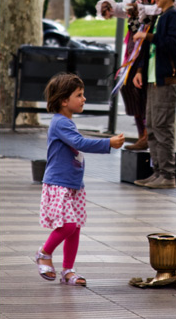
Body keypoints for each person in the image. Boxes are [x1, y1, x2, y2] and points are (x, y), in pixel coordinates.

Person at [35, 72, 125, 285]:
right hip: (59, 183)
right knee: (68, 226)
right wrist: (108, 143)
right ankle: (44, 252)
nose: (84, 99)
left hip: (72, 184)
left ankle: (68, 271)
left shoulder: (66, 121)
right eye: (79, 95)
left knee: (74, 228)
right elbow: (81, 143)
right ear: (64, 101)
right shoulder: (60, 123)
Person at [96, 0, 170, 150]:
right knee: (129, 86)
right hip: (135, 40)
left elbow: (165, 8)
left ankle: (147, 135)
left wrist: (140, 11)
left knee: (138, 86)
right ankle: (143, 134)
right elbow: (129, 5)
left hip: (149, 41)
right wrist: (112, 8)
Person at [132, 0, 176, 189]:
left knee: (163, 127)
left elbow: (172, 44)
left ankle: (168, 175)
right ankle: (157, 172)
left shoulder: (173, 16)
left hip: (165, 79)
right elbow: (150, 49)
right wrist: (141, 70)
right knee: (152, 126)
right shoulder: (159, 16)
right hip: (153, 79)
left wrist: (147, 37)